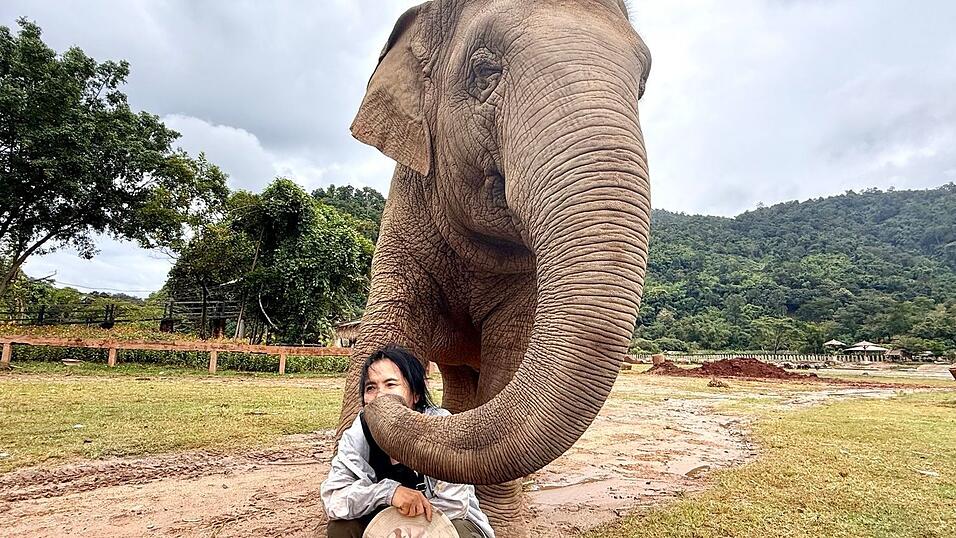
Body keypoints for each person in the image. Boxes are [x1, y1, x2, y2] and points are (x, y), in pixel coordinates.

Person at [321, 345, 495, 538]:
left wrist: (406, 522)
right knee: (341, 528)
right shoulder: (360, 431)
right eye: (371, 388)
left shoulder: (440, 425)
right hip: (386, 526)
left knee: (460, 532)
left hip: (439, 522)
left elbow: (455, 505)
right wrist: (389, 493)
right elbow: (334, 498)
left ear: (415, 394)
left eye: (390, 385)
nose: (380, 396)